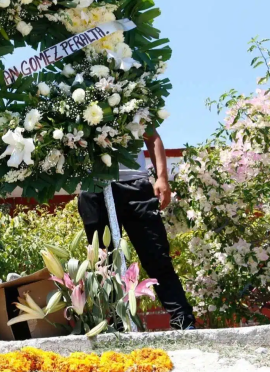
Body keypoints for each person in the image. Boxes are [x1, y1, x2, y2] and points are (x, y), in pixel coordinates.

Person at [77, 130, 196, 330]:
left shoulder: (132, 101)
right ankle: (118, 324)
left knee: (157, 256)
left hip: (135, 184)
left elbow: (152, 137)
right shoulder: (73, 102)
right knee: (104, 263)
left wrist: (162, 179)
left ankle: (183, 321)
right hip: (94, 188)